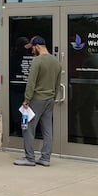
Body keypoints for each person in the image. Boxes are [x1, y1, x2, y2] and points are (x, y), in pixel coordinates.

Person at [14, 35, 61, 167]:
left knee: (28, 128)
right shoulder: (56, 62)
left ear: (38, 46)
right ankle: (45, 158)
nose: (31, 50)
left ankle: (29, 158)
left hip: (36, 99)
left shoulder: (37, 61)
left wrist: (26, 99)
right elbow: (57, 84)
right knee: (47, 130)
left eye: (32, 48)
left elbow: (31, 82)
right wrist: (53, 97)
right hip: (50, 99)